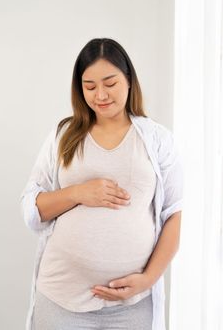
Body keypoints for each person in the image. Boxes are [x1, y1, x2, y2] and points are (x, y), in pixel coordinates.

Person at [20, 38, 184, 330]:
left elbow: (173, 213)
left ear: (129, 80)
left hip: (131, 304)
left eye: (110, 83)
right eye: (90, 86)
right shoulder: (64, 135)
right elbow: (32, 208)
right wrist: (78, 193)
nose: (101, 95)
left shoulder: (157, 139)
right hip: (61, 299)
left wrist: (148, 279)